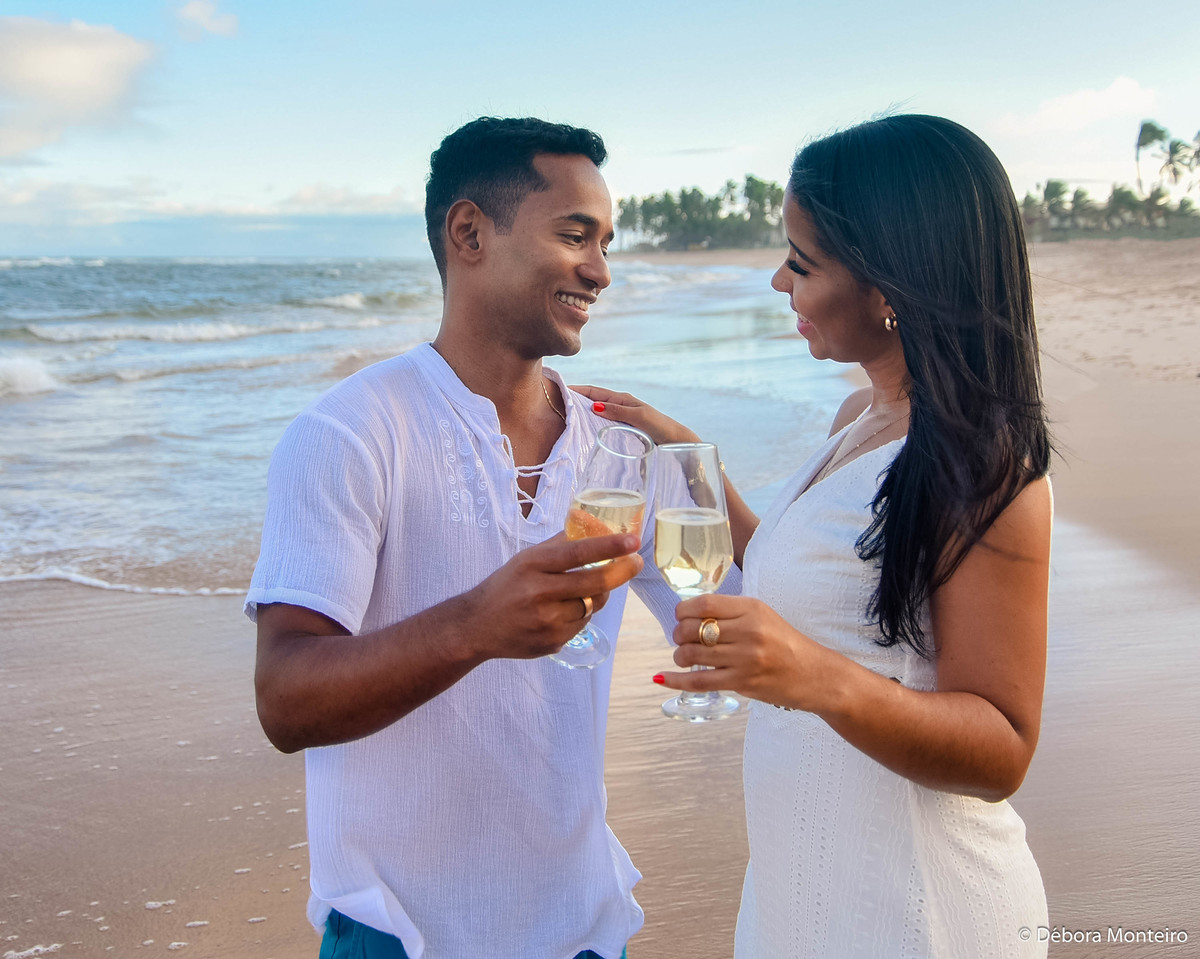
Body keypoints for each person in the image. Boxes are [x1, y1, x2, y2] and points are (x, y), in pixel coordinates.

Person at [579, 114, 1052, 957]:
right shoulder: (861, 418)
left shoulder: (984, 466)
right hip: (804, 887)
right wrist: (686, 453)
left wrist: (811, 676)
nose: (777, 280)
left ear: (889, 286)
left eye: (801, 262)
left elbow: (1002, 747)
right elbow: (818, 578)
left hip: (915, 910)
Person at [246, 117, 685, 959]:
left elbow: (740, 617)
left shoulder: (621, 449)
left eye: (606, 243)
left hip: (588, 933)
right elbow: (286, 699)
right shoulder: (348, 433)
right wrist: (475, 626)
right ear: (470, 233)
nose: (601, 270)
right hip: (400, 936)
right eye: (575, 236)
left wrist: (699, 462)